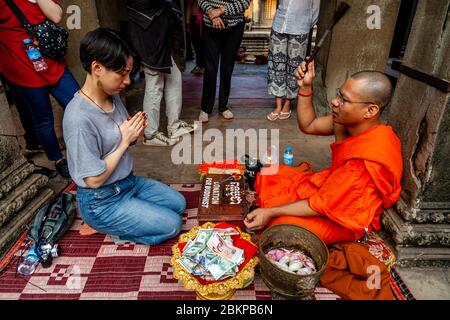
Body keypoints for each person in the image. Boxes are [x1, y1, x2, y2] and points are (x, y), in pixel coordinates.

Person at [244, 60, 403, 245]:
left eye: (344, 99)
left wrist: (270, 212)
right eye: (338, 94)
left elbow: (320, 206)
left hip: (346, 216)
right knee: (270, 174)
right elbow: (309, 125)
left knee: (281, 228)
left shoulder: (366, 159)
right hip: (332, 190)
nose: (334, 101)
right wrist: (306, 87)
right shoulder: (347, 121)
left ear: (370, 110)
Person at [63, 28, 186, 245]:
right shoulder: (78, 118)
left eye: (129, 72)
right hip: (101, 200)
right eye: (122, 73)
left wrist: (134, 132)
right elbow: (93, 180)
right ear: (97, 68)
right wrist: (124, 141)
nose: (128, 81)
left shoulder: (112, 95)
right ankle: (106, 226)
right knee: (172, 224)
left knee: (179, 203)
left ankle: (131, 212)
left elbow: (122, 137)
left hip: (127, 183)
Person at [0, 0, 80, 178]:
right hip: (22, 66)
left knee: (79, 103)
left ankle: (87, 146)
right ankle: (58, 160)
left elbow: (56, 15)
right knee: (43, 118)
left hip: (51, 60)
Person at [127, 0, 196, 147]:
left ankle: (174, 126)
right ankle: (150, 134)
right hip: (148, 32)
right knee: (154, 82)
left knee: (173, 75)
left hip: (155, 30)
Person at [266, 0, 320, 121]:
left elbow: (316, 9)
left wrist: (306, 25)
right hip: (279, 25)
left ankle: (287, 104)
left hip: (300, 28)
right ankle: (278, 105)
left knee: (295, 68)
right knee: (276, 65)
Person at [197, 0, 250, 123]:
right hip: (210, 25)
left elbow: (245, 2)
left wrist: (220, 11)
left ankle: (223, 106)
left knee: (227, 67)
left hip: (234, 27)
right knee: (210, 68)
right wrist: (211, 13)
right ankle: (205, 108)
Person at [186, 0, 205, 75]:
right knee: (196, 43)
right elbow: (189, 6)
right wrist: (187, 21)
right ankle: (199, 64)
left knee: (204, 43)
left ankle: (202, 65)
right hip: (194, 18)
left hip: (206, 18)